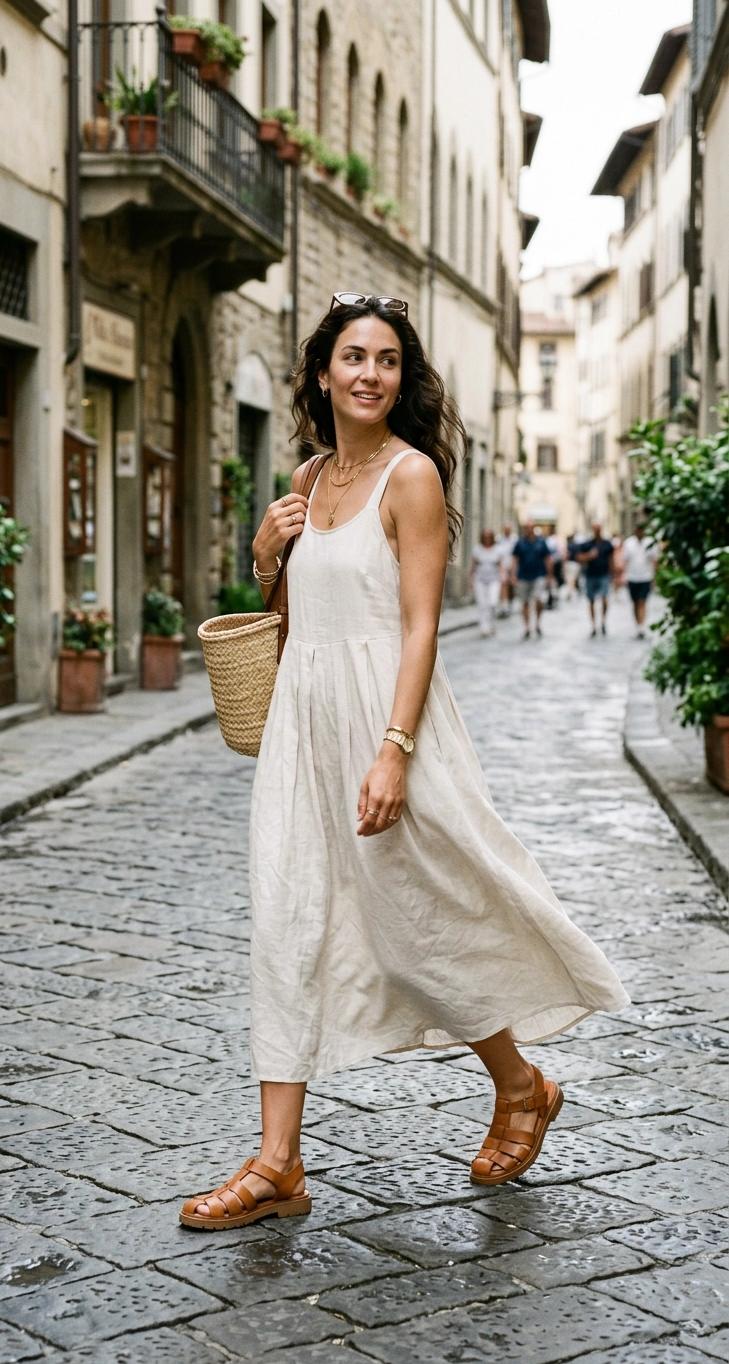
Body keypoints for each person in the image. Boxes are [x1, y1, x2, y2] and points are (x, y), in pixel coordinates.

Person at [178, 293, 628, 1230]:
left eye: (387, 360)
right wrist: (266, 558)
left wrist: (393, 750)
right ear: (322, 374)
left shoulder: (411, 477)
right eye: (353, 357)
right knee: (288, 920)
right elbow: (297, 622)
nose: (370, 374)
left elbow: (420, 626)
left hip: (389, 726)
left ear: (401, 378)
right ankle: (277, 1162)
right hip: (304, 729)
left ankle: (520, 1084)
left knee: (422, 923)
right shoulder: (306, 478)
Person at [510, 520, 553, 639]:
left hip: (539, 575)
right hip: (523, 576)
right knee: (524, 602)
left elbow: (548, 558)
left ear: (534, 528)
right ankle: (527, 626)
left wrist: (549, 575)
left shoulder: (541, 542)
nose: (529, 529)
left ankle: (538, 623)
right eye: (527, 527)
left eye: (531, 527)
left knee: (538, 599)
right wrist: (513, 575)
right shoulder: (520, 542)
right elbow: (514, 559)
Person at [576, 522, 615, 637]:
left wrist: (613, 574)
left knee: (604, 599)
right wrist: (589, 556)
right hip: (590, 575)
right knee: (591, 600)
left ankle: (603, 621)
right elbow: (578, 557)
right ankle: (593, 625)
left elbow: (611, 560)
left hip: (604, 575)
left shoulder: (607, 544)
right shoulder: (587, 544)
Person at [622, 520, 658, 638]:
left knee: (642, 601)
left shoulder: (650, 543)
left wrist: (654, 577)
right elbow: (625, 560)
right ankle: (637, 624)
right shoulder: (628, 543)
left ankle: (641, 627)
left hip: (645, 577)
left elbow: (654, 560)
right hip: (632, 577)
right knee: (635, 602)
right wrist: (623, 575)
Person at [469, 529, 504, 637]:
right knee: (483, 604)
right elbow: (473, 566)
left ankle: (491, 624)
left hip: (494, 580)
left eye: (489, 536)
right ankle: (484, 628)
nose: (487, 538)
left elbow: (500, 565)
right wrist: (470, 580)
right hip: (480, 580)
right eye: (485, 536)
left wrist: (503, 578)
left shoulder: (497, 549)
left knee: (492, 602)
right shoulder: (477, 550)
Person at [496, 522, 517, 617]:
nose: (507, 531)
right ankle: (503, 605)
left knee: (511, 587)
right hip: (502, 566)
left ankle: (509, 603)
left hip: (512, 566)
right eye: (505, 529)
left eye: (508, 529)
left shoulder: (515, 539)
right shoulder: (499, 540)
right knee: (503, 585)